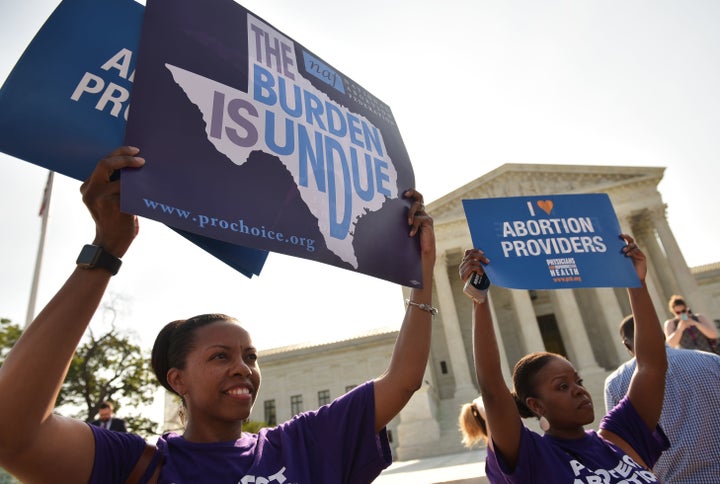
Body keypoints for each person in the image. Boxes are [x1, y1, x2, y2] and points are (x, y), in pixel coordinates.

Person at [0, 146, 437, 483]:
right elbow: (11, 431)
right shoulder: (138, 466)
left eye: (250, 355)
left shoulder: (300, 443)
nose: (242, 368)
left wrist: (422, 274)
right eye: (220, 357)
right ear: (178, 380)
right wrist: (106, 252)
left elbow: (403, 380)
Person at [458, 238, 669, 483]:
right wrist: (479, 298)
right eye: (562, 386)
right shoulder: (533, 458)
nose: (579, 391)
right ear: (536, 405)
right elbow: (492, 388)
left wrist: (636, 283)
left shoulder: (620, 437)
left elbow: (651, 366)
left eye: (577, 381)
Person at [605, 315, 720, 483]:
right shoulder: (711, 361)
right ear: (663, 335)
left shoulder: (615, 384)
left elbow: (623, 449)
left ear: (627, 345)